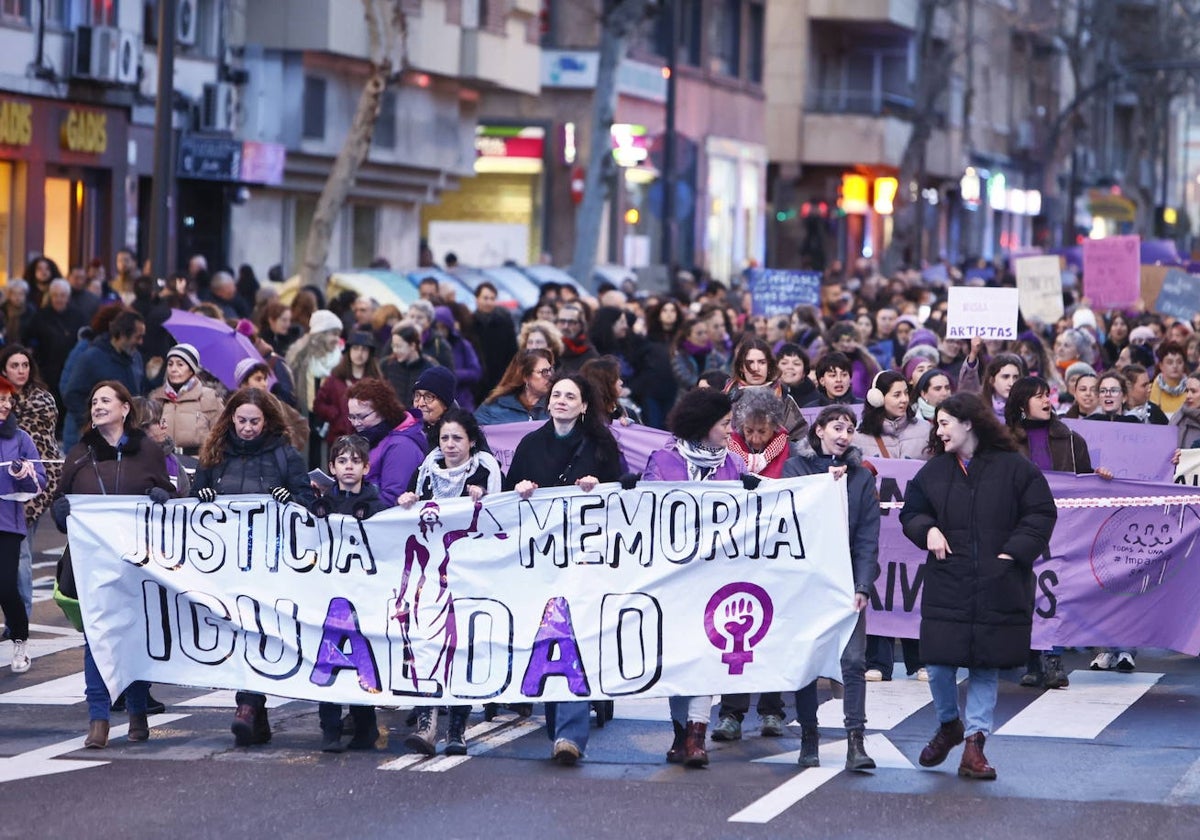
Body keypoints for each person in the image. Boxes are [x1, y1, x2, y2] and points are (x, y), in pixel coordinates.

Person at [901, 393, 1056, 780]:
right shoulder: (934, 471)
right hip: (947, 579)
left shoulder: (1015, 469)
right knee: (937, 664)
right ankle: (949, 723)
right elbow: (912, 512)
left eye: (944, 422)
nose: (939, 430)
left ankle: (974, 744)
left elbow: (1040, 512)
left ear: (968, 422)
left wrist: (1013, 554)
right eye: (936, 423)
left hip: (997, 580)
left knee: (986, 666)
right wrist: (928, 530)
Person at [506, 373, 623, 765]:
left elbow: (623, 493)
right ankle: (562, 721)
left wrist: (600, 485)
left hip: (586, 559)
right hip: (540, 559)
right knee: (549, 635)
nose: (560, 401)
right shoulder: (530, 444)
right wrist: (520, 490)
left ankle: (569, 734)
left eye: (570, 396)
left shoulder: (601, 444)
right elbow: (506, 500)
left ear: (584, 405)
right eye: (556, 394)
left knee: (574, 635)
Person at [52, 381, 176, 749]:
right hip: (93, 564)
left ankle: (137, 712)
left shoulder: (147, 452)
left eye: (105, 400)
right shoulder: (80, 453)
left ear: (125, 409)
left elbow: (171, 495)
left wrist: (161, 496)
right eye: (93, 401)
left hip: (137, 561)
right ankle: (99, 719)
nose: (97, 406)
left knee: (133, 637)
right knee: (97, 640)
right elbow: (62, 500)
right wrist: (61, 514)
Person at [191, 388, 315, 746]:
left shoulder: (285, 456)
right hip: (224, 564)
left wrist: (290, 500)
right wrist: (201, 499)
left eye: (254, 422)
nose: (247, 428)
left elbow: (307, 504)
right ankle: (254, 713)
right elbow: (192, 503)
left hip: (269, 563)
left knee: (255, 631)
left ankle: (247, 705)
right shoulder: (214, 456)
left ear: (267, 422)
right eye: (241, 421)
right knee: (237, 633)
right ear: (231, 419)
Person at [642, 388, 746, 767]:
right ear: (704, 426)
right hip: (673, 576)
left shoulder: (733, 464)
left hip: (716, 575)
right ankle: (679, 733)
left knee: (706, 654)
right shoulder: (664, 461)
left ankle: (697, 734)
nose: (730, 431)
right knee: (677, 656)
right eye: (724, 424)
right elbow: (646, 509)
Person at [396, 409, 503, 756]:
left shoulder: (487, 469)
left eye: (457, 438)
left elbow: (502, 516)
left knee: (462, 648)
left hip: (471, 575)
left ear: (471, 441)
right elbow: (407, 519)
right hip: (431, 576)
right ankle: (427, 725)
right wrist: (408, 501)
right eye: (445, 438)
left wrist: (484, 496)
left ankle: (457, 728)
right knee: (427, 644)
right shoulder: (425, 470)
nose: (451, 445)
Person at [784, 405, 881, 771]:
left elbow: (868, 537)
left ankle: (856, 741)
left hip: (846, 584)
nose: (844, 435)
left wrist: (862, 585)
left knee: (854, 662)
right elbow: (791, 518)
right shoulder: (796, 469)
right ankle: (810, 736)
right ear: (819, 429)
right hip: (807, 584)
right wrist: (826, 481)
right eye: (837, 427)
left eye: (850, 428)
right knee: (808, 660)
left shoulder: (860, 477)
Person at [1004, 376, 1107, 688]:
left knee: (1055, 593)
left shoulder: (1072, 440)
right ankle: (1034, 659)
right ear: (1022, 404)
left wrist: (1100, 477)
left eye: (1047, 395)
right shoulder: (1004, 442)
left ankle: (1052, 659)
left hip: (1062, 527)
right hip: (1021, 526)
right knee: (1028, 592)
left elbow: (1084, 482)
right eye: (1037, 397)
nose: (1046, 401)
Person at [308, 434, 389, 752]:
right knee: (326, 659)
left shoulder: (377, 507)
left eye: (355, 461)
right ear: (332, 467)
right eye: (342, 461)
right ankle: (329, 727)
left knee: (362, 663)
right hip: (327, 596)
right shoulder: (321, 506)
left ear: (366, 467)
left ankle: (364, 725)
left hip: (361, 597)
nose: (348, 467)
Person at [853, 370, 932, 682]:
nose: (903, 400)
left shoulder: (925, 431)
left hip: (912, 526)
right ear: (877, 398)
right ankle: (877, 661)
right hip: (878, 530)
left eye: (905, 394)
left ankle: (920, 660)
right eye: (896, 394)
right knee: (880, 587)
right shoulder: (859, 438)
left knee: (915, 587)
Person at [0, 346, 61, 635]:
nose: (21, 370)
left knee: (22, 556)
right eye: (15, 365)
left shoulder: (41, 402)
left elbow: (42, 452)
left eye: (25, 364)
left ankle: (19, 620)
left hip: (29, 491)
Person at [0, 377, 45, 673]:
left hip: (8, 524)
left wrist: (22, 473)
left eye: (8, 400)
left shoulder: (20, 439)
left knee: (6, 586)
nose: (5, 405)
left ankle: (20, 642)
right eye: (0, 399)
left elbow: (41, 480)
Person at [63, 309, 146, 436]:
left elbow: (139, 392)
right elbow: (72, 395)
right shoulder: (91, 358)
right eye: (138, 337)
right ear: (123, 335)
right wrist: (91, 425)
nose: (141, 342)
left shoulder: (136, 357)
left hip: (126, 435)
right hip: (91, 438)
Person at [346, 378, 428, 506]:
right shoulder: (370, 438)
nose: (356, 423)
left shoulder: (402, 446)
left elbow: (393, 498)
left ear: (383, 411)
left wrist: (348, 503)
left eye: (362, 416)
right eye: (351, 417)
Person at [147, 343, 224, 456]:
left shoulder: (209, 397)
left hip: (198, 462)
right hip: (163, 462)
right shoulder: (156, 398)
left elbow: (220, 436)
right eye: (170, 364)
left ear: (191, 369)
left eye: (180, 365)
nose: (174, 369)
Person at [312, 331, 380, 449]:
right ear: (349, 351)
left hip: (366, 439)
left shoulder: (376, 381)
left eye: (364, 349)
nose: (359, 353)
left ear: (369, 353)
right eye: (355, 348)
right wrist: (334, 414)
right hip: (338, 439)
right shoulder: (335, 379)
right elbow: (318, 404)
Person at [475, 349, 554, 425]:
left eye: (551, 370)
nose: (550, 376)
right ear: (525, 377)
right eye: (544, 372)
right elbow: (473, 433)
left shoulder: (555, 404)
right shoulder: (494, 407)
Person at [131, 397, 191, 496]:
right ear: (141, 426)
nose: (165, 426)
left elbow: (185, 497)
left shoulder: (173, 461)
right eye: (158, 422)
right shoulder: (122, 460)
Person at [471, 282, 518, 403]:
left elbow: (512, 352)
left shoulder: (504, 323)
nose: (489, 302)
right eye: (485, 298)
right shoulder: (469, 323)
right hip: (477, 382)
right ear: (477, 299)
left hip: (499, 379)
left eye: (492, 298)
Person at [728, 388, 790, 477]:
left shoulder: (790, 448)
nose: (755, 440)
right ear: (741, 426)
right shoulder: (727, 448)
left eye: (762, 432)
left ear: (775, 426)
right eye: (749, 431)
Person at [381, 323, 434, 407]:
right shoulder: (387, 365)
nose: (395, 350)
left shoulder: (429, 369)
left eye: (399, 346)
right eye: (393, 346)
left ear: (412, 346)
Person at [1150, 341, 1188, 417]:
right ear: (1161, 365)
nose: (1175, 366)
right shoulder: (1149, 390)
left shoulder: (1192, 390)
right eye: (1170, 362)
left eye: (1179, 362)